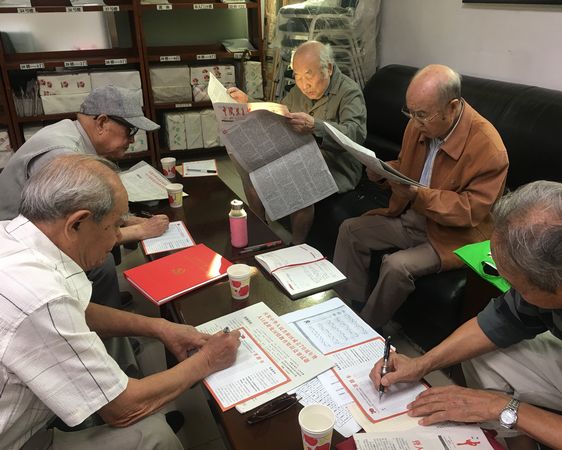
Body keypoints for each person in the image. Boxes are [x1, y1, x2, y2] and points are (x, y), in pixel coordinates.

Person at [0, 154, 242, 450]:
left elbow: (77, 312)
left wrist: (160, 327)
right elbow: (124, 408)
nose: (117, 238)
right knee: (154, 436)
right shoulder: (41, 297)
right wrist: (208, 360)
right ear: (76, 223)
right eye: (114, 226)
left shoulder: (12, 236)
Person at [370, 181, 562, 450]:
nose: (512, 292)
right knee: (483, 354)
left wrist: (504, 408)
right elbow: (499, 321)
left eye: (518, 287)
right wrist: (422, 364)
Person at [333, 64, 509, 329]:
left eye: (422, 115)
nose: (414, 123)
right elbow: (408, 167)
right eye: (410, 113)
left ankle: (365, 329)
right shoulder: (420, 124)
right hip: (413, 216)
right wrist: (384, 171)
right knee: (351, 230)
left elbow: (470, 211)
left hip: (454, 236)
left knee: (396, 266)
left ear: (452, 107)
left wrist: (419, 196)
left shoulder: (489, 148)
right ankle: (344, 310)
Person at [0, 85, 169, 309]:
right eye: (130, 131)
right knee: (102, 263)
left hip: (34, 229)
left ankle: (104, 299)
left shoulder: (70, 132)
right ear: (101, 123)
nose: (132, 141)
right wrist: (141, 231)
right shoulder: (62, 156)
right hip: (15, 244)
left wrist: (128, 220)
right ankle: (105, 324)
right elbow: (72, 233)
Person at [228, 40, 367, 244]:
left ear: (328, 68)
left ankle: (297, 244)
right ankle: (260, 227)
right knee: (250, 165)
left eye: (309, 76)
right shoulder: (299, 90)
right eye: (297, 76)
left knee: (299, 173)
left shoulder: (349, 91)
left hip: (337, 164)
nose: (303, 84)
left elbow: (356, 134)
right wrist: (247, 102)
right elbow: (277, 113)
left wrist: (316, 126)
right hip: (302, 151)